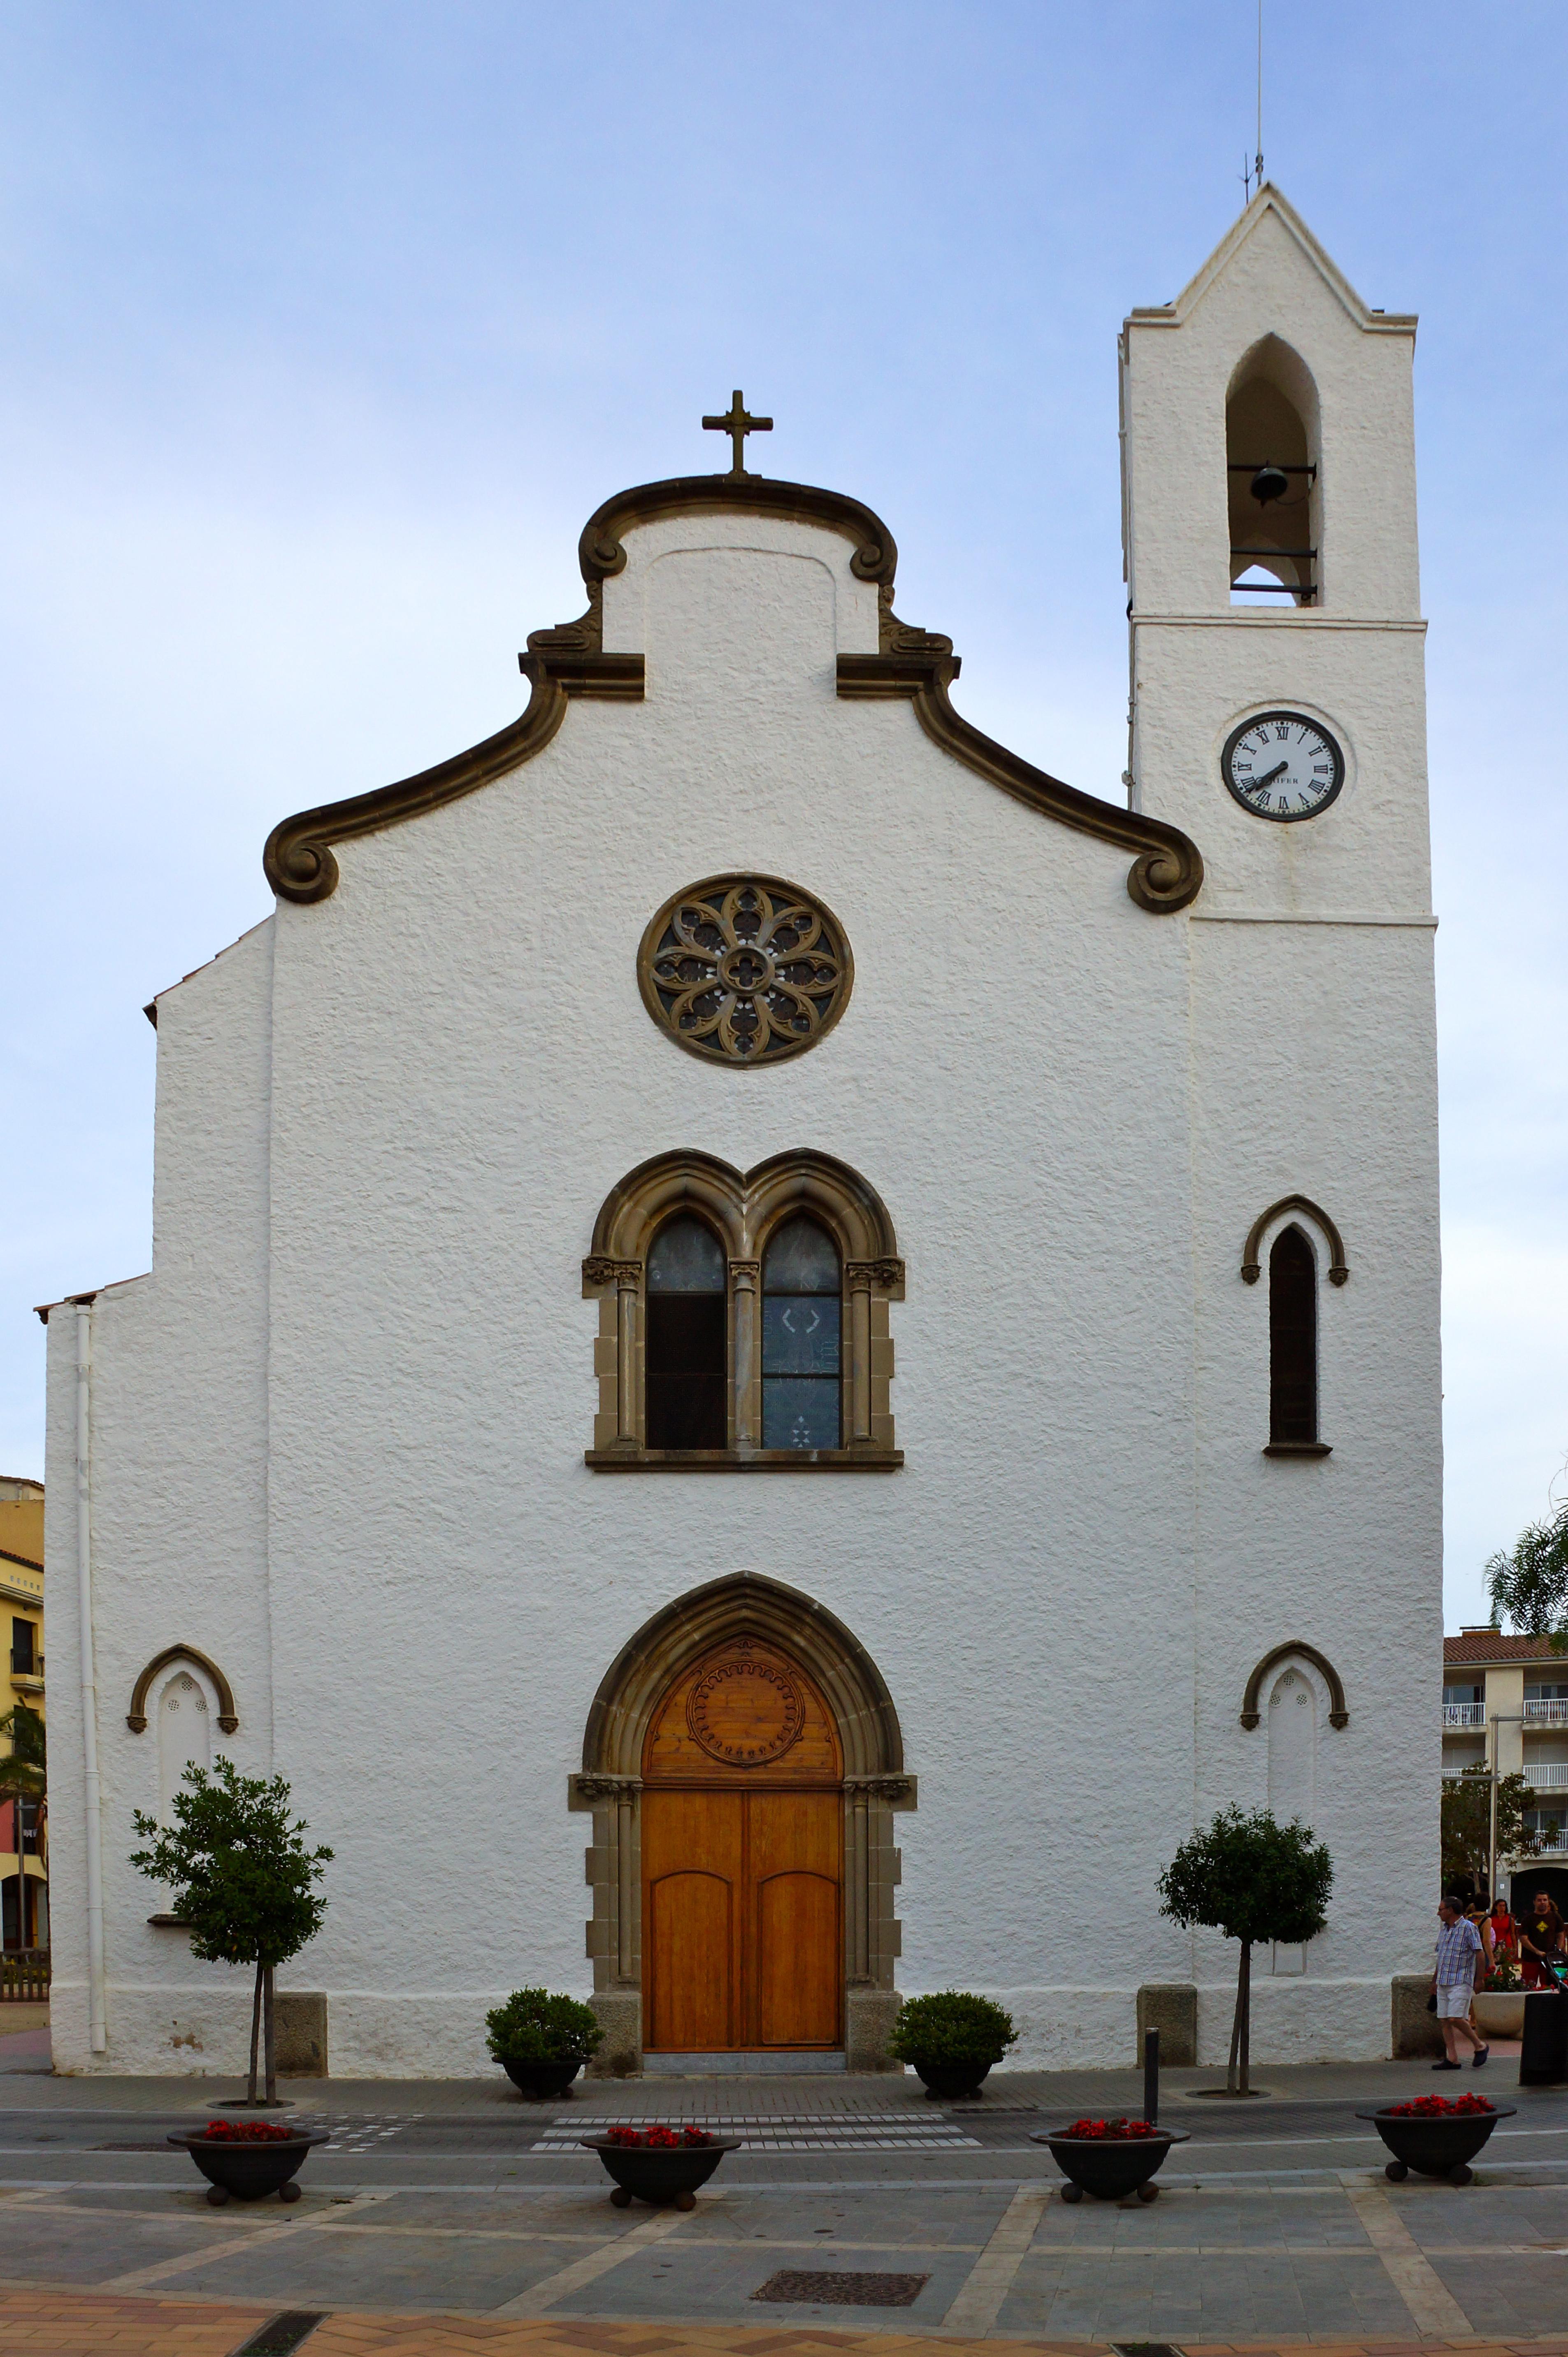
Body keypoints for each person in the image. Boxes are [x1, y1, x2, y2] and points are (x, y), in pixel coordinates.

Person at [1430, 1895, 1489, 2068]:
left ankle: (1480, 2046)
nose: (1438, 1913)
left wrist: (1479, 1979)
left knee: (1456, 2018)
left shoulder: (1468, 1928)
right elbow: (1441, 1957)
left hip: (1461, 1980)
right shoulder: (1445, 1930)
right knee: (1445, 2020)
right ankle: (1452, 2058)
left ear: (1450, 1910)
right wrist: (1434, 1980)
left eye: (1441, 1909)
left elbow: (1480, 1953)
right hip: (1444, 1980)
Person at [1519, 1893, 1563, 1988]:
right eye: (1539, 1900)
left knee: (1549, 1987)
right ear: (1534, 1902)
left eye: (1545, 1900)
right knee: (1528, 1987)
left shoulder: (1556, 1917)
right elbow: (1523, 1938)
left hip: (1549, 1960)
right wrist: (1537, 1952)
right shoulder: (1528, 1919)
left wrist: (1558, 1952)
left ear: (1548, 1902)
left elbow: (1561, 1936)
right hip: (1530, 1959)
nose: (1542, 1902)